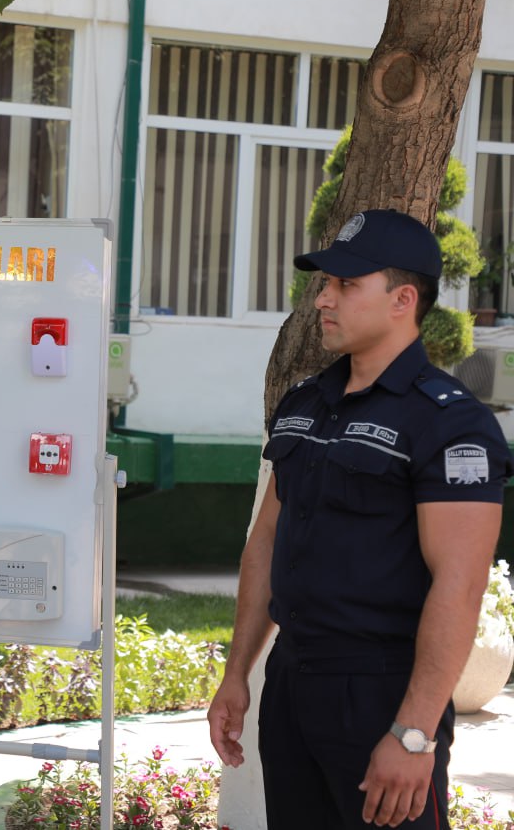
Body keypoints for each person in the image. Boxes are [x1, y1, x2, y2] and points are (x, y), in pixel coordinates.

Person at [207, 208, 511, 829]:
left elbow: (459, 585)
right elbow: (266, 541)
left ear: (403, 300)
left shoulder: (450, 422)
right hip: (292, 680)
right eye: (326, 283)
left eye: (346, 284)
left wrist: (414, 733)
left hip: (383, 691)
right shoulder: (305, 403)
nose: (324, 299)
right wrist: (237, 673)